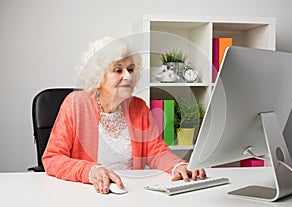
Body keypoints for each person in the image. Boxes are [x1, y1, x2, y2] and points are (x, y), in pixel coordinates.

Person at [42, 36, 206, 194]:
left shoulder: (139, 107)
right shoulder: (75, 104)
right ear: (98, 76)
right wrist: (90, 171)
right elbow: (52, 158)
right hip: (86, 193)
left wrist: (177, 165)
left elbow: (156, 151)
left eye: (131, 70)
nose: (128, 76)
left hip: (131, 192)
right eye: (118, 70)